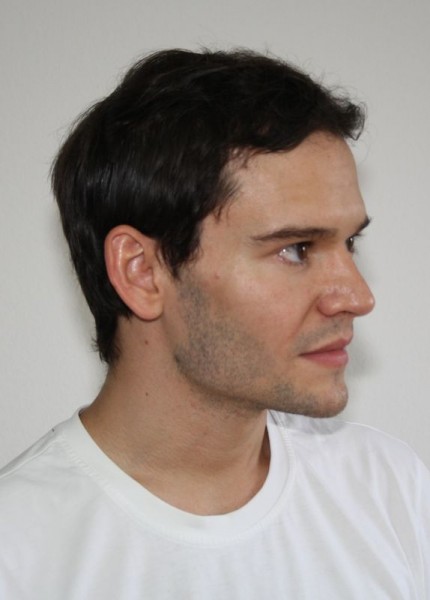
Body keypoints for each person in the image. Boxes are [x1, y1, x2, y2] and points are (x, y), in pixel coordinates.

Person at [0, 48, 429, 599]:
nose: (358, 297)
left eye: (350, 243)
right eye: (296, 249)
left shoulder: (389, 490)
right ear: (142, 272)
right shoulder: (19, 551)